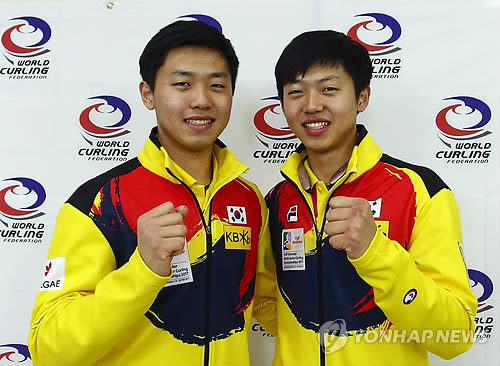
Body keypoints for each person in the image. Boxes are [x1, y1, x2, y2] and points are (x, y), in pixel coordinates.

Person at [29, 20, 269, 366]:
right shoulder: (98, 202)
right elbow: (48, 348)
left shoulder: (248, 199)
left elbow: (267, 302)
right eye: (182, 84)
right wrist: (142, 270)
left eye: (217, 85)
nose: (201, 100)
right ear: (148, 94)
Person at [253, 30, 477, 366]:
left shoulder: (418, 189)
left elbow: (456, 336)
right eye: (296, 92)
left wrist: (376, 252)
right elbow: (265, 300)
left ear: (362, 97)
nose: (312, 105)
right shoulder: (276, 201)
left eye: (329, 89)